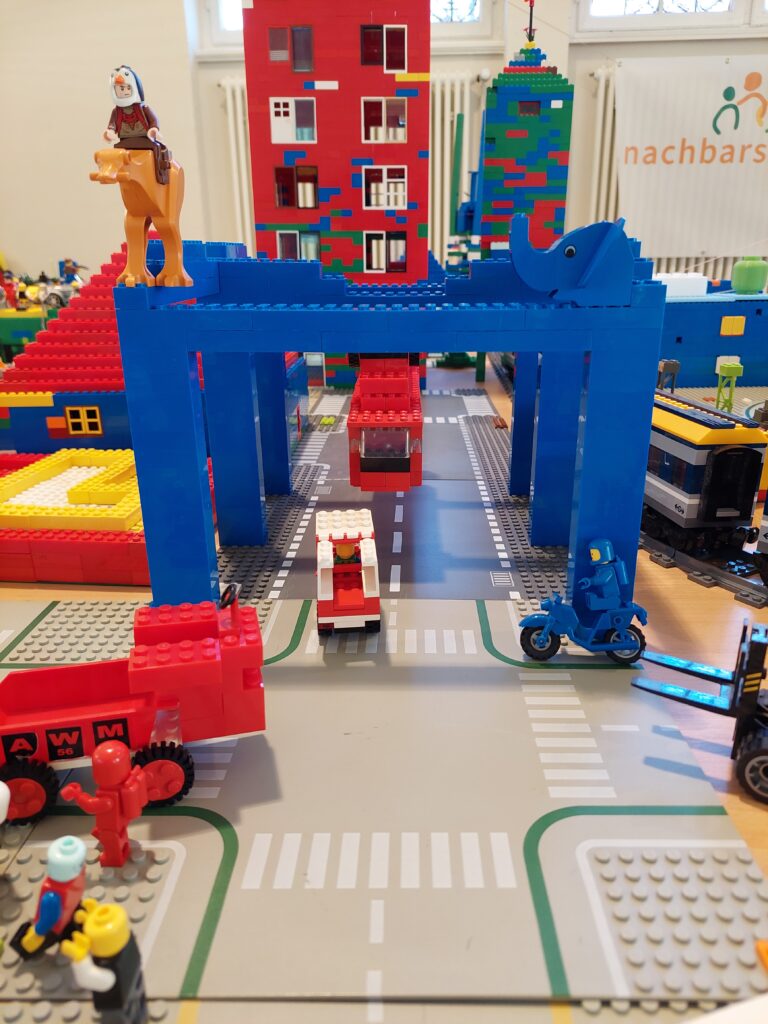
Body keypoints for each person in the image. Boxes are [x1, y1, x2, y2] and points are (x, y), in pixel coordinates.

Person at [104, 65, 170, 184]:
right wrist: (109, 132)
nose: (123, 91)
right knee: (117, 155)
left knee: (156, 150)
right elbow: (112, 125)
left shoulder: (143, 108)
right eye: (119, 89)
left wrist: (153, 129)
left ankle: (159, 172)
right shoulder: (116, 112)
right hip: (124, 141)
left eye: (126, 88)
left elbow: (153, 120)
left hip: (144, 140)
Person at [578, 538, 628, 612]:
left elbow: (602, 580)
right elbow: (598, 578)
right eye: (591, 553)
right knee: (591, 600)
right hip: (605, 595)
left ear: (603, 553)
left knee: (594, 603)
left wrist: (590, 581)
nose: (592, 556)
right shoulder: (601, 569)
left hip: (611, 596)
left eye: (594, 553)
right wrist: (589, 581)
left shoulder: (609, 570)